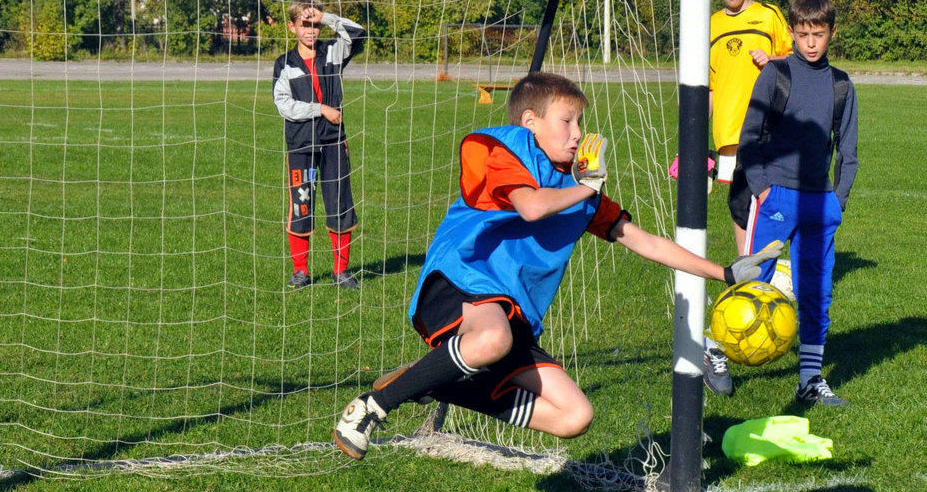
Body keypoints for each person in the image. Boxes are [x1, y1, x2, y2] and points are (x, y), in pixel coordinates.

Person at [331, 72, 780, 459]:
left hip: (510, 318)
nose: (577, 133)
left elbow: (646, 242)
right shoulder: (502, 147)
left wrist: (724, 271)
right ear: (530, 122)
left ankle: (427, 380)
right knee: (491, 336)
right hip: (460, 285)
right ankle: (372, 406)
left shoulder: (576, 191)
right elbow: (530, 207)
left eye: (580, 122)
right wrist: (586, 188)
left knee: (574, 416)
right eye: (567, 121)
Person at [707, 0, 858, 406]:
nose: (811, 43)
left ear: (831, 33)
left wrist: (837, 201)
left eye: (820, 34)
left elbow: (848, 150)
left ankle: (809, 378)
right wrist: (761, 185)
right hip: (775, 198)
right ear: (790, 33)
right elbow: (750, 136)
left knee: (817, 290)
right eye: (803, 34)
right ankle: (714, 349)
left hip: (819, 204)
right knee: (754, 277)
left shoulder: (841, 85)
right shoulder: (776, 75)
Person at [272, 0, 366, 289]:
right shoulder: (285, 64)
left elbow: (358, 33)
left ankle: (341, 272)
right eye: (305, 24)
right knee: (302, 205)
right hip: (301, 146)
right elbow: (283, 104)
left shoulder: (333, 52)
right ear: (292, 27)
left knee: (340, 204)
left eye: (314, 24)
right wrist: (320, 109)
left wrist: (325, 16)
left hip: (333, 143)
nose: (311, 30)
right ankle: (301, 272)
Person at [709, 0, 793, 255]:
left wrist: (771, 58)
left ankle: (772, 260)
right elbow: (711, 85)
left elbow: (795, 60)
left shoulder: (768, 16)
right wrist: (692, 139)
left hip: (767, 125)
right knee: (739, 200)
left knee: (770, 195)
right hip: (729, 132)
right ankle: (746, 265)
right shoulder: (712, 25)